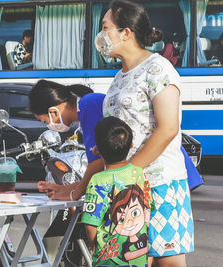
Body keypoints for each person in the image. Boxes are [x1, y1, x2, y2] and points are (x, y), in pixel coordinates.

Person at [98, 1, 193, 266]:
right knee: (132, 260)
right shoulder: (120, 76)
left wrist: (129, 170)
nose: (100, 36)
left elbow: (168, 128)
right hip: (127, 186)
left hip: (160, 183)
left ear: (126, 32)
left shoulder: (158, 69)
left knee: (168, 261)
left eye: (105, 28)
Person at [81, 116, 152, 267]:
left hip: (108, 259)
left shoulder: (98, 180)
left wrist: (95, 246)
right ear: (131, 145)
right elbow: (147, 208)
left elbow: (90, 223)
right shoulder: (139, 173)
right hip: (138, 259)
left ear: (97, 150)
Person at [29, 80, 106, 201]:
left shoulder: (88, 105)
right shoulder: (86, 107)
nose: (47, 125)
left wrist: (74, 194)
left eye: (45, 121)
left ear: (53, 112)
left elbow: (97, 163)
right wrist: (62, 189)